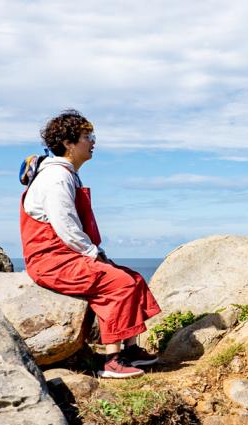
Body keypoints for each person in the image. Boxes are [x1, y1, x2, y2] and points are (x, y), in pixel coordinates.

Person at [19, 108, 162, 378]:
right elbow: (66, 226)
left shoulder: (65, 174)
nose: (93, 141)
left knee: (133, 278)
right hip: (52, 261)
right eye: (87, 136)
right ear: (68, 143)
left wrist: (96, 254)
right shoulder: (56, 177)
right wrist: (93, 254)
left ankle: (130, 351)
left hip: (66, 256)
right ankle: (112, 360)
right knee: (119, 284)